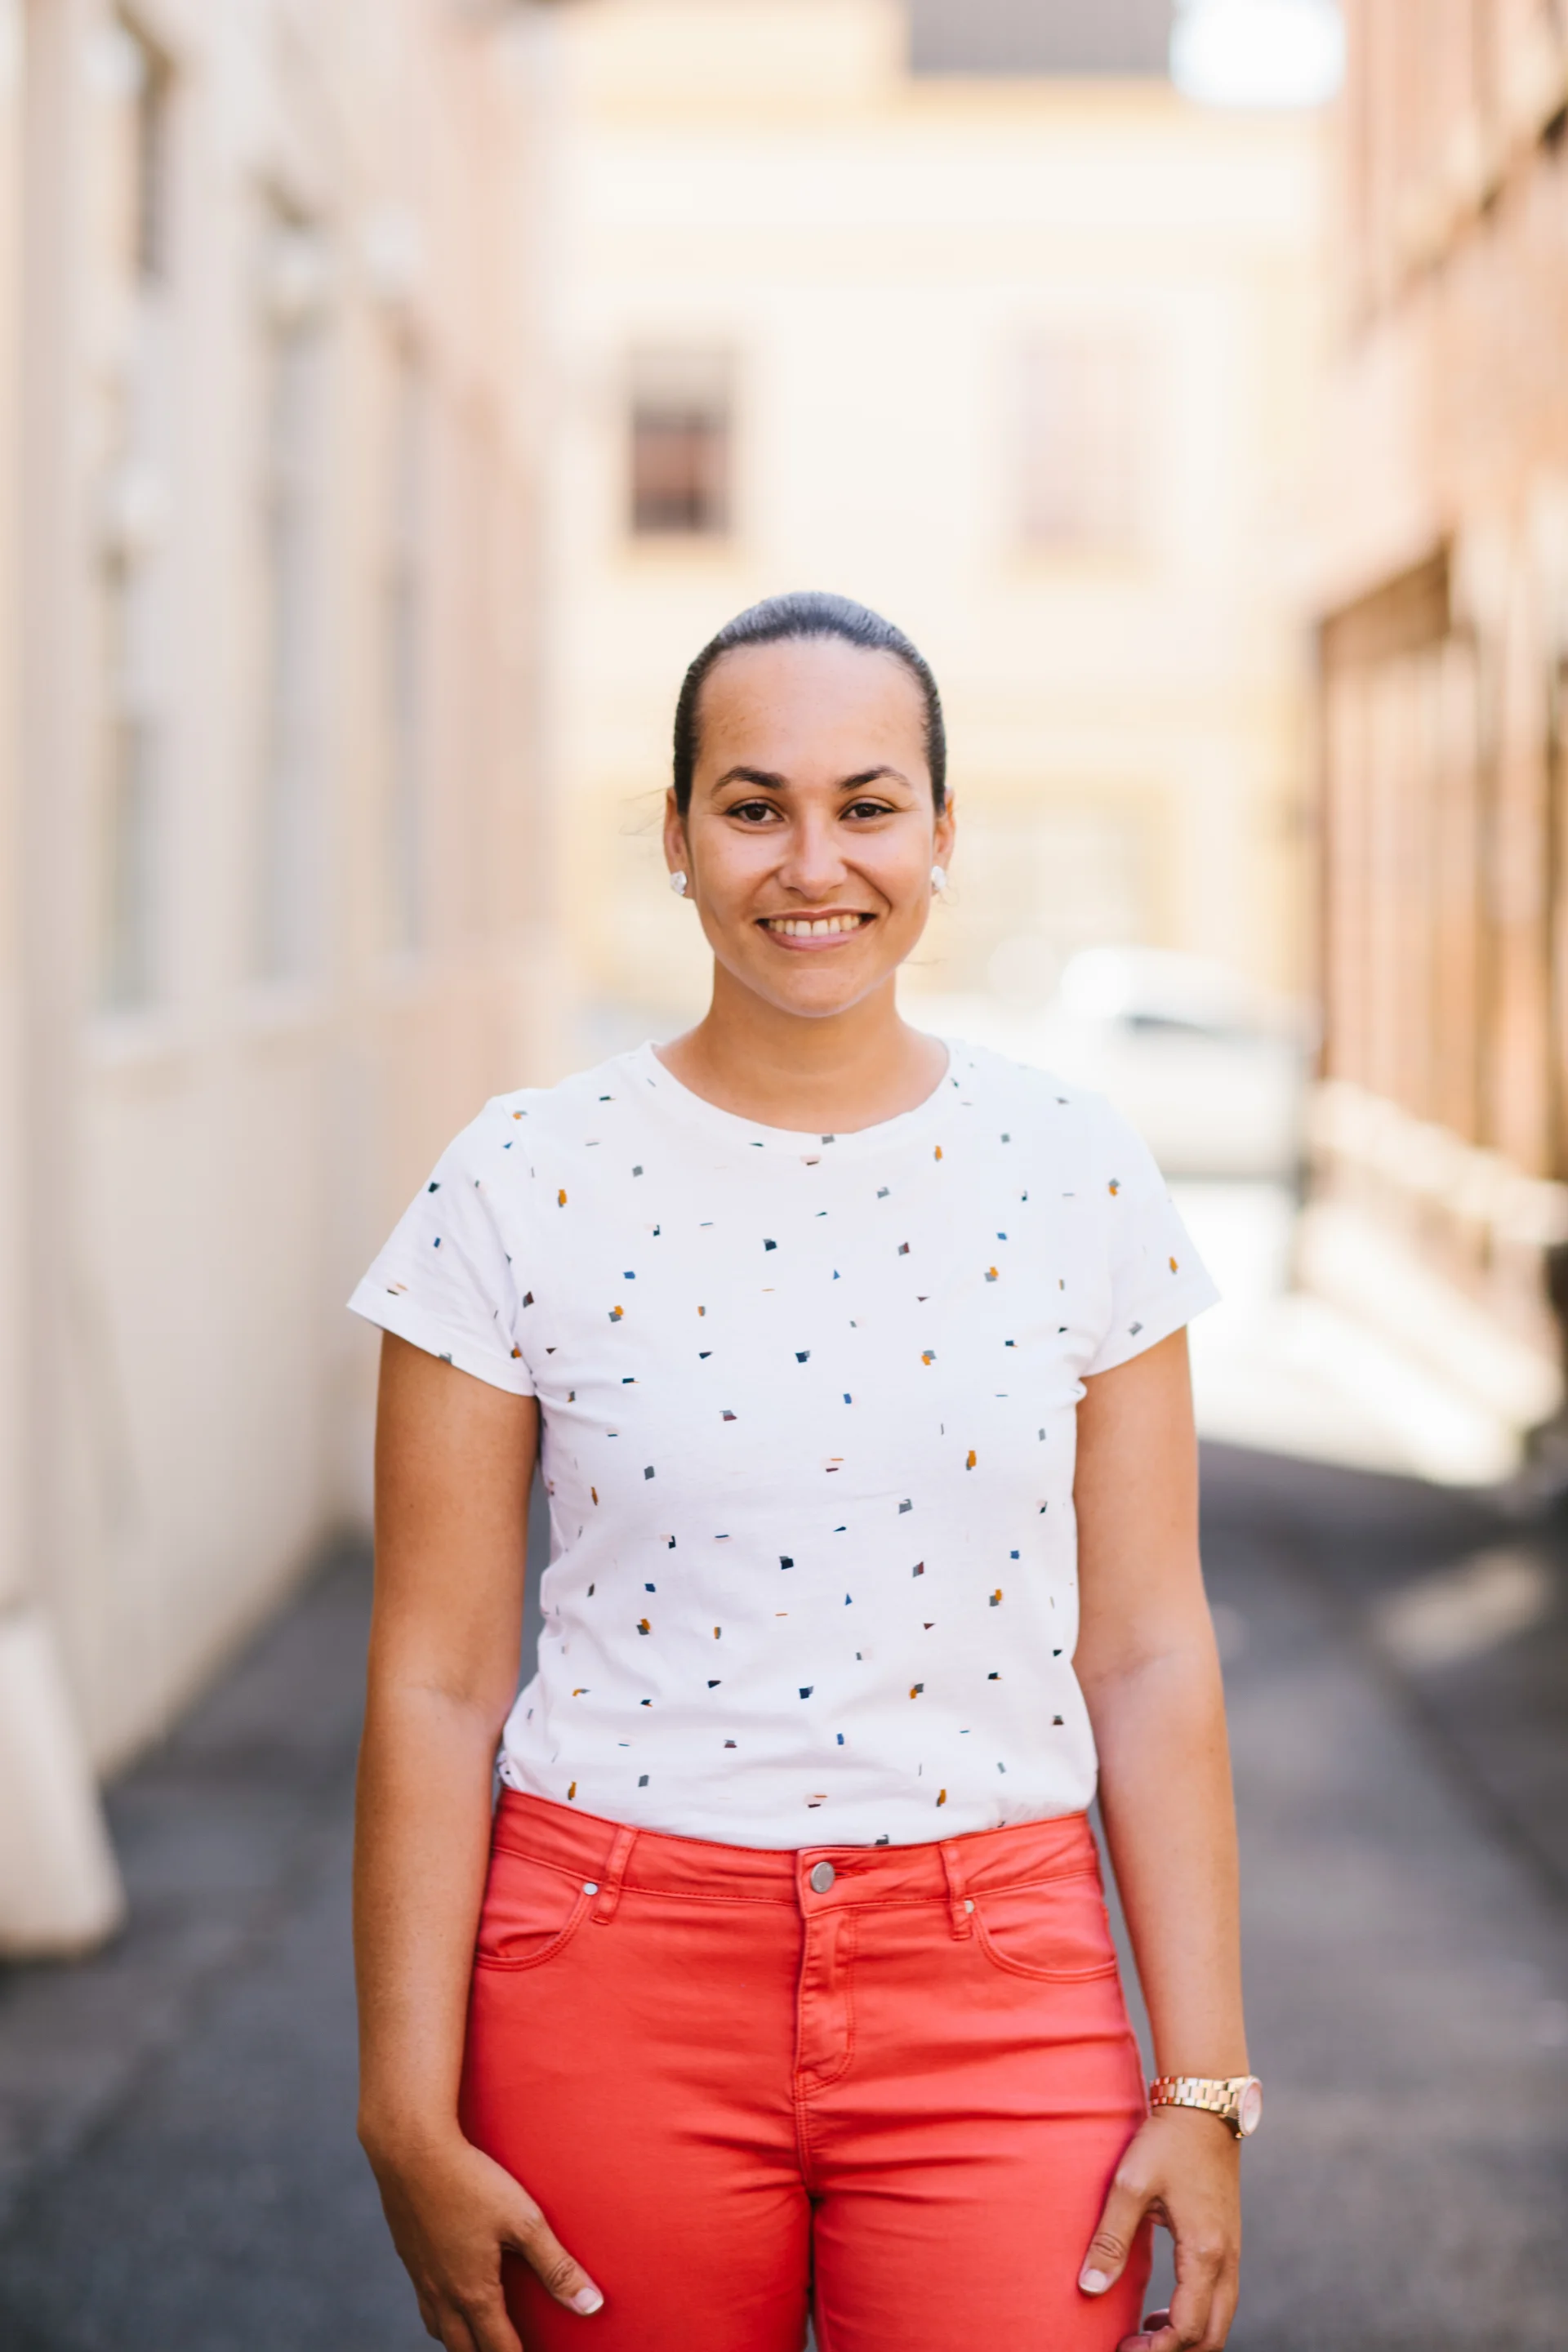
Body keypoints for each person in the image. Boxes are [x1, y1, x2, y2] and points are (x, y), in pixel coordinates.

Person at [350, 591, 1258, 2352]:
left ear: (939, 837)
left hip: (1000, 1966)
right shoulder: (518, 1180)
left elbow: (1150, 1655)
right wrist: (401, 2104)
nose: (812, 860)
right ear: (678, 840)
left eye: (868, 804)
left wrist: (1208, 2088)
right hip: (608, 1964)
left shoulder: (1073, 1170)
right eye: (753, 805)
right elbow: (435, 1678)